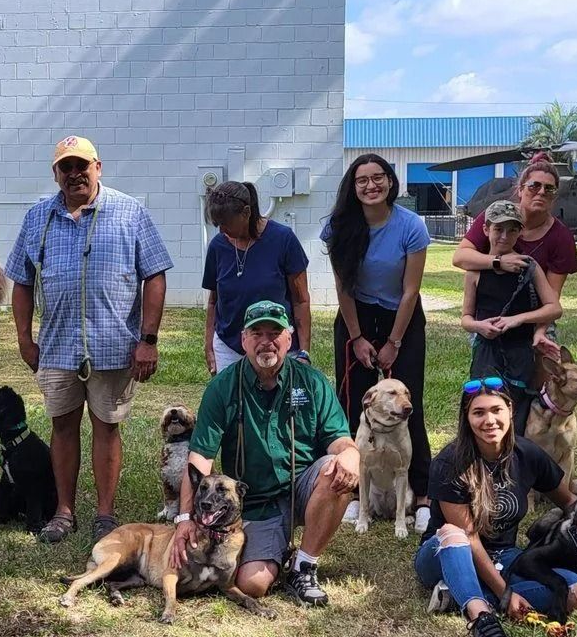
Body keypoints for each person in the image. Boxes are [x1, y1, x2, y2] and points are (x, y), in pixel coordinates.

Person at [6, 135, 173, 544]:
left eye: (83, 165)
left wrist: (148, 339)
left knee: (107, 427)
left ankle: (104, 513)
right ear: (56, 174)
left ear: (98, 167)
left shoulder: (129, 212)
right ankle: (64, 512)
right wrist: (25, 340)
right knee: (62, 427)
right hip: (58, 346)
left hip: (115, 346)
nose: (75, 173)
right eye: (67, 167)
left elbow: (154, 275)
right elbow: (22, 281)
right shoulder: (37, 217)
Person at [170, 300, 360, 608]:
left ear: (289, 338)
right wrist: (184, 519)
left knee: (335, 467)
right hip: (255, 502)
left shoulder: (311, 382)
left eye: (274, 332)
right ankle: (278, 549)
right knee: (253, 584)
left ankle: (304, 566)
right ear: (243, 340)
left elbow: (338, 437)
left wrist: (351, 453)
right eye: (257, 333)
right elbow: (200, 460)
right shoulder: (223, 387)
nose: (266, 341)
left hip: (305, 488)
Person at [413, 379, 577, 637]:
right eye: (478, 413)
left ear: (510, 410)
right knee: (453, 532)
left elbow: (570, 503)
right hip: (445, 553)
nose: (489, 420)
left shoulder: (527, 454)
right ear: (467, 419)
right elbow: (469, 537)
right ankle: (482, 619)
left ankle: (454, 594)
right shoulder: (450, 462)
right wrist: (504, 593)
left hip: (504, 555)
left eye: (496, 410)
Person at [322, 154, 433, 532]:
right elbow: (343, 287)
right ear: (352, 188)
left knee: (405, 404)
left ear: (390, 182)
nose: (371, 186)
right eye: (362, 180)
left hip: (401, 319)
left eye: (378, 178)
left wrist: (394, 342)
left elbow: (411, 291)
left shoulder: (411, 226)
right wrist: (356, 337)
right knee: (353, 402)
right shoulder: (338, 227)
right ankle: (354, 492)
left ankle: (421, 495)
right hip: (356, 316)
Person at [460, 200, 562, 431]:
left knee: (517, 410)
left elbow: (554, 308)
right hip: (487, 351)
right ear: (486, 230)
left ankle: (514, 460)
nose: (505, 236)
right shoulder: (475, 271)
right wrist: (478, 326)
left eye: (512, 229)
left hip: (520, 350)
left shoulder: (529, 266)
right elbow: (465, 318)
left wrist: (517, 319)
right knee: (485, 406)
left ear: (520, 232)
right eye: (498, 229)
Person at [201, 181, 311, 374]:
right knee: (231, 402)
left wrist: (303, 352)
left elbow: (300, 300)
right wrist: (209, 346)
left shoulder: (283, 239)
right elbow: (213, 302)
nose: (221, 230)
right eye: (218, 225)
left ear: (246, 212)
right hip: (229, 347)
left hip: (275, 344)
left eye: (226, 223)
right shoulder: (218, 246)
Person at [452, 153, 577, 304]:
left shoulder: (562, 237)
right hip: (487, 313)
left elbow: (552, 301)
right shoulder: (495, 216)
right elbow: (459, 257)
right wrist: (498, 262)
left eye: (549, 189)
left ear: (555, 196)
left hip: (532, 315)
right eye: (534, 186)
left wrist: (531, 326)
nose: (541, 192)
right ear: (520, 189)